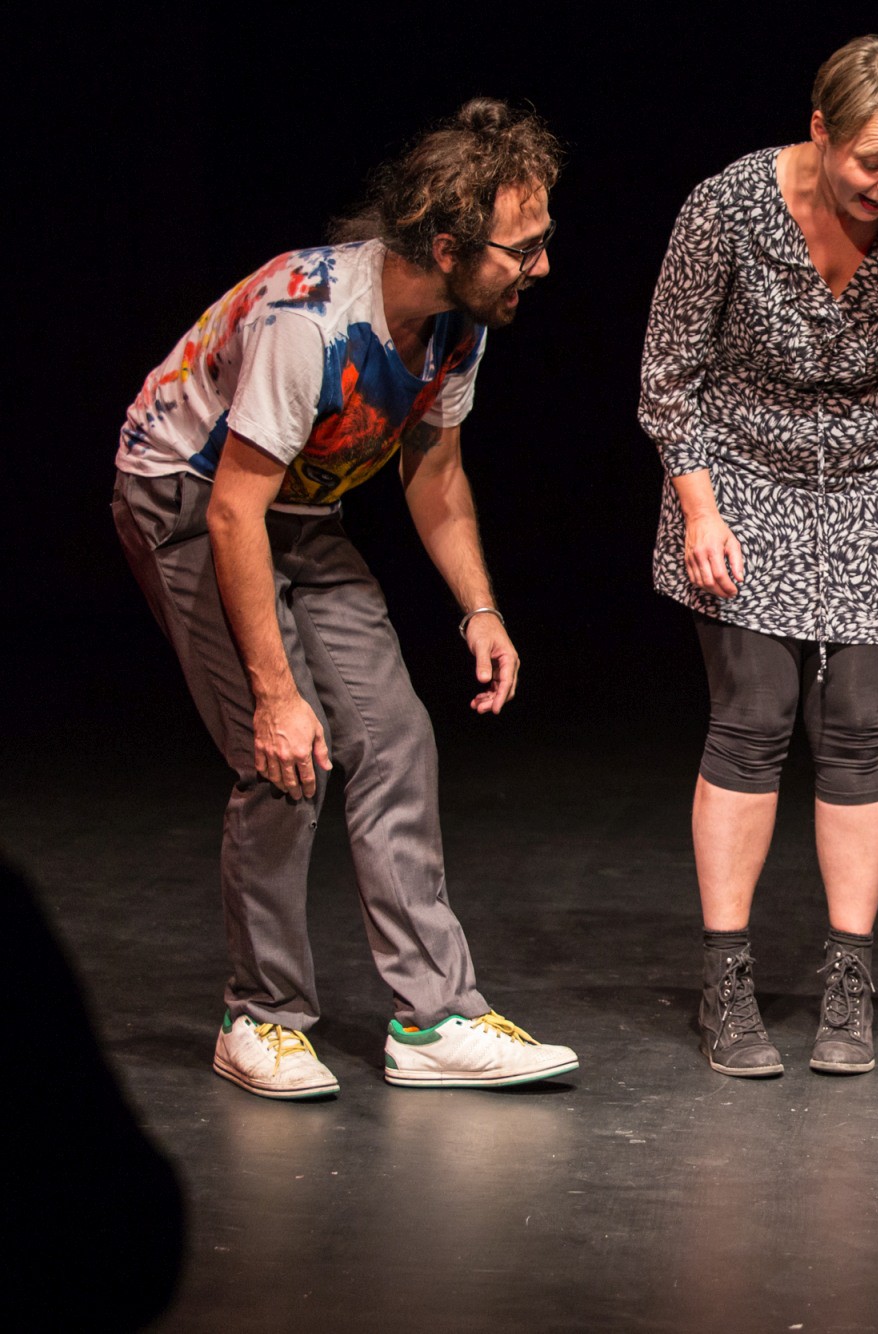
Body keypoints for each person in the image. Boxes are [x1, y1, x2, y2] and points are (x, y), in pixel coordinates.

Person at [111, 99, 579, 1099]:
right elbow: (232, 510)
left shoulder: (459, 324)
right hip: (186, 495)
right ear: (446, 247)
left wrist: (481, 609)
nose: (542, 266)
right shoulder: (310, 321)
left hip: (294, 505)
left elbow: (434, 469)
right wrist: (277, 694)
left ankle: (434, 1016)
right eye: (524, 248)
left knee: (395, 736)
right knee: (284, 754)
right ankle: (260, 1015)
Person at [639, 35, 878, 1078]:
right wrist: (699, 510)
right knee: (752, 717)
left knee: (861, 726)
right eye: (871, 162)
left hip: (873, 474)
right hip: (741, 468)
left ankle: (848, 977)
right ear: (820, 129)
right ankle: (727, 978)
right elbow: (668, 377)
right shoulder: (726, 207)